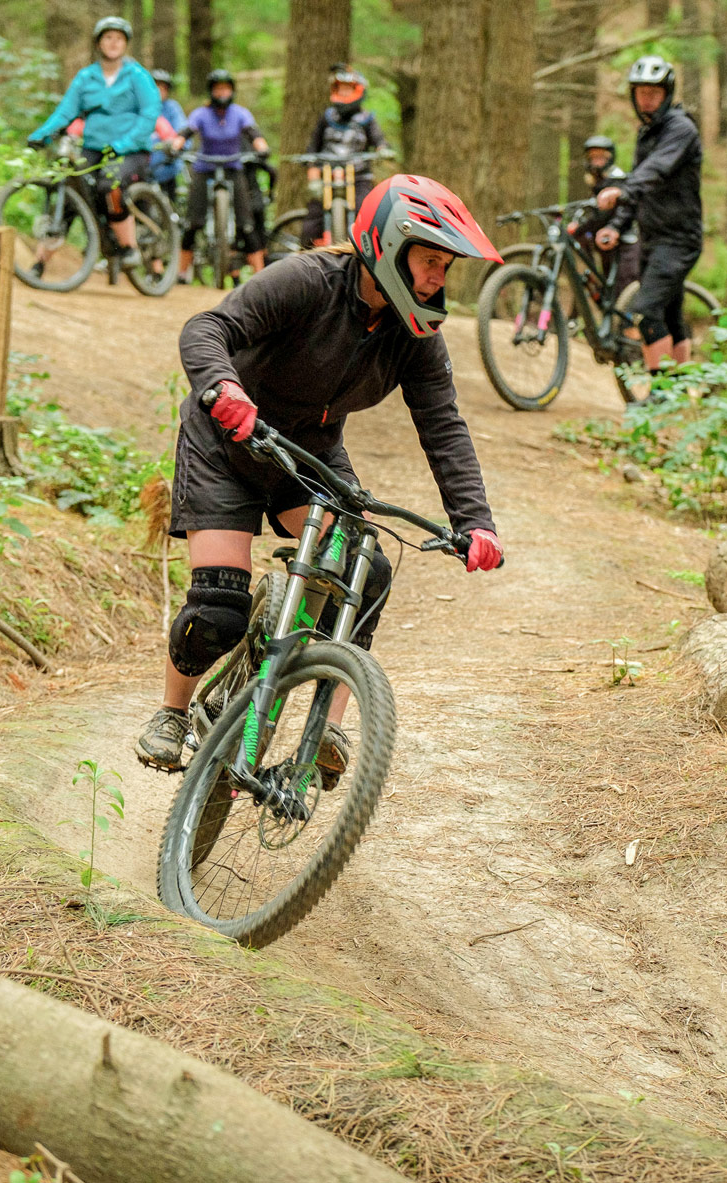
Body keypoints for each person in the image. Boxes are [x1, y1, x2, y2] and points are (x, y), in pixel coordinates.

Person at [135, 175, 506, 771]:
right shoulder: (307, 281)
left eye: (446, 266)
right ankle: (173, 713)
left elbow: (443, 425)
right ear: (388, 245)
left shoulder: (415, 335)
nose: (439, 278)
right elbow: (207, 328)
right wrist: (223, 387)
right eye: (430, 261)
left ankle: (324, 729)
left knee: (365, 570)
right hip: (226, 443)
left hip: (306, 457)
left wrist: (475, 520)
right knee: (218, 612)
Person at [595, 56, 704, 371]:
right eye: (641, 93)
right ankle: (678, 387)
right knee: (670, 315)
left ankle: (658, 389)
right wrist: (617, 226)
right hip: (652, 239)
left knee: (645, 311)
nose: (647, 100)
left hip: (678, 240)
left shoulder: (680, 129)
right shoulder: (648, 133)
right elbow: (639, 185)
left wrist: (622, 191)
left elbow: (654, 171)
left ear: (667, 94)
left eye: (654, 93)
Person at [27, 17, 160, 270]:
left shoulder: (138, 76)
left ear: (126, 44)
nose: (113, 43)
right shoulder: (86, 77)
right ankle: (39, 263)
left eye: (119, 38)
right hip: (94, 146)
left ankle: (129, 247)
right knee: (69, 187)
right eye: (108, 38)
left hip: (130, 150)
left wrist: (124, 144)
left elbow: (149, 114)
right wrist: (41, 135)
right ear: (99, 43)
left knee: (110, 183)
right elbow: (66, 112)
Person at [169, 69, 271, 279]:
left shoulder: (240, 113)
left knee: (246, 223)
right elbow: (186, 132)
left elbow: (254, 134)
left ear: (232, 91)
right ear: (211, 91)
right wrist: (175, 146)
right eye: (218, 89)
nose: (222, 93)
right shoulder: (201, 114)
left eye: (226, 89)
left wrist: (262, 148)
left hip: (233, 168)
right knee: (193, 222)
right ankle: (181, 273)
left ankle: (260, 277)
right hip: (204, 168)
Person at [301, 66, 389, 246]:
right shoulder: (327, 117)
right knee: (312, 221)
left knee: (365, 212)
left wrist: (383, 150)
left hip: (359, 176)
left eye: (347, 89)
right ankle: (310, 255)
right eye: (340, 89)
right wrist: (313, 177)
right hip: (327, 176)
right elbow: (312, 149)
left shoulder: (367, 119)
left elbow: (380, 141)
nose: (343, 93)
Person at [567, 134, 641, 296]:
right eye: (593, 157)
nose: (596, 161)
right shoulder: (597, 182)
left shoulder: (617, 179)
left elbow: (619, 210)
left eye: (600, 157)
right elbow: (595, 213)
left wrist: (614, 227)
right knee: (610, 289)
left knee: (625, 291)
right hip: (606, 244)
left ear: (609, 157)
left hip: (625, 243)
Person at [148, 68, 185, 208]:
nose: (159, 91)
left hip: (167, 165)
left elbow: (183, 131)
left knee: (171, 204)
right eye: (155, 87)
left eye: (163, 88)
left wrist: (177, 144)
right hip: (143, 168)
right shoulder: (138, 109)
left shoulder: (172, 108)